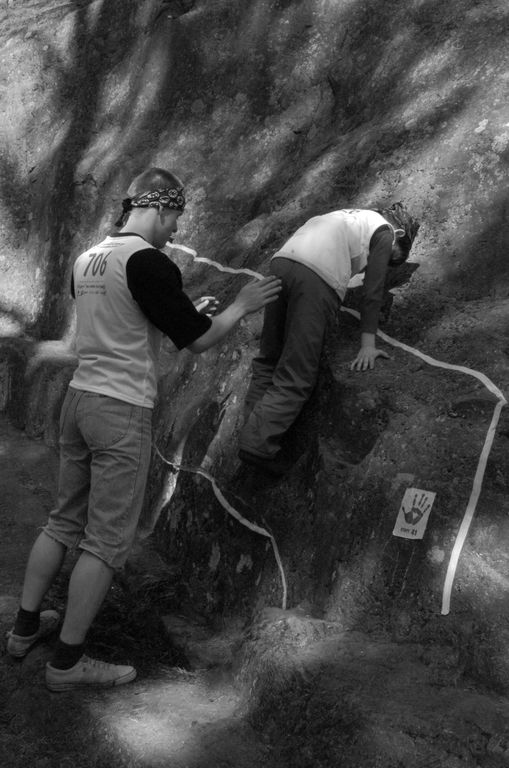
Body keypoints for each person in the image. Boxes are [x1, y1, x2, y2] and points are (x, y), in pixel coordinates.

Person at [6, 167, 281, 690]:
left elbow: (125, 316)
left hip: (79, 398)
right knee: (106, 542)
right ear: (157, 207)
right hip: (120, 410)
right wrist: (241, 307)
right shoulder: (149, 262)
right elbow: (198, 341)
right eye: (175, 217)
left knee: (63, 522)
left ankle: (23, 630)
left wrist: (182, 313)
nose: (176, 230)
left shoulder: (88, 258)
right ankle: (67, 663)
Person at [238, 203, 419, 476]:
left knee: (269, 359)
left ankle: (250, 432)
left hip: (282, 261)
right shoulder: (384, 232)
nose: (381, 263)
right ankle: (258, 445)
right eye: (390, 257)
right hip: (315, 277)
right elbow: (372, 292)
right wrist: (368, 345)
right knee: (298, 370)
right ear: (399, 233)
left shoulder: (351, 216)